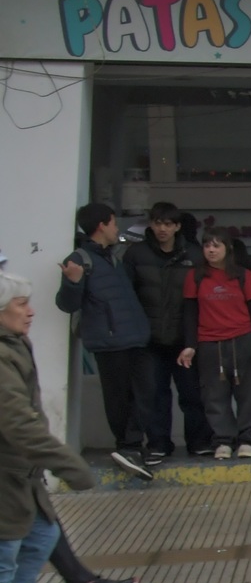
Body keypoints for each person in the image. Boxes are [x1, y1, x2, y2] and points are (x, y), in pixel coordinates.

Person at [0, 271, 98, 583]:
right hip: (6, 473)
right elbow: (17, 421)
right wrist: (67, 464)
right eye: (21, 304)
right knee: (4, 553)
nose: (31, 311)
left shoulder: (13, 346)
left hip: (21, 472)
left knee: (41, 538)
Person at [55, 204, 155, 480]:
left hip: (134, 337)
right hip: (110, 341)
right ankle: (128, 447)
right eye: (113, 223)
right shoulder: (80, 259)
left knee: (146, 391)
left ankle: (132, 447)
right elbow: (67, 304)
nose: (116, 228)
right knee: (119, 398)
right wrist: (72, 282)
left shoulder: (111, 257)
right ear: (101, 225)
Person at [125, 201, 213, 462]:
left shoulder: (195, 255)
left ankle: (199, 442)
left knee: (193, 394)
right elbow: (127, 297)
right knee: (153, 394)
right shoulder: (135, 254)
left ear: (177, 227)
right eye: (157, 223)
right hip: (148, 338)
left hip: (184, 338)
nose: (162, 229)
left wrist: (194, 339)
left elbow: (203, 299)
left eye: (168, 224)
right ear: (151, 224)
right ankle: (158, 444)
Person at [179, 231, 251, 460]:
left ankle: (246, 438)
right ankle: (223, 440)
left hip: (243, 339)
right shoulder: (195, 276)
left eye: (217, 246)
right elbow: (190, 313)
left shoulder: (243, 275)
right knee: (214, 394)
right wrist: (190, 345)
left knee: (249, 391)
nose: (211, 250)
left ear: (228, 248)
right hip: (209, 342)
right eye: (207, 245)